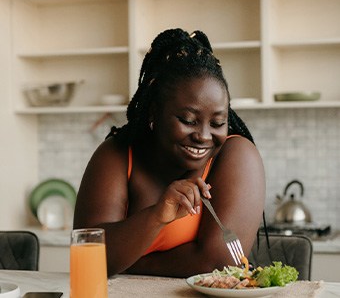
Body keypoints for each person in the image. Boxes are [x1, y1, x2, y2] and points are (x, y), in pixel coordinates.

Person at [73, 28, 266, 278]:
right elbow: (88, 255)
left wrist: (132, 263)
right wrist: (155, 217)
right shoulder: (118, 153)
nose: (204, 136)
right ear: (154, 113)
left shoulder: (237, 156)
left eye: (218, 123)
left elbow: (218, 263)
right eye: (188, 119)